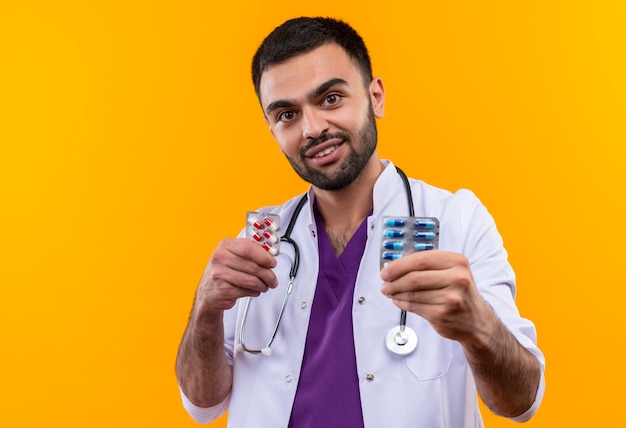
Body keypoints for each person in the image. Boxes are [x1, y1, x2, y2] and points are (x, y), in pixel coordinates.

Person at [175, 16, 545, 427]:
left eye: (331, 98)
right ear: (271, 128)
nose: (312, 128)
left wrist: (479, 327)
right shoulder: (260, 241)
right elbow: (202, 406)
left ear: (376, 97)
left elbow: (521, 402)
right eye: (286, 114)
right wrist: (205, 310)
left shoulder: (457, 218)